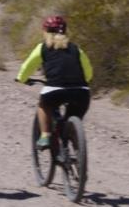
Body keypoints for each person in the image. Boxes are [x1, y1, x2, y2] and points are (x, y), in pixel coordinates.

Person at [15, 15, 93, 149]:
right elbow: (89, 73)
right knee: (72, 117)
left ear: (45, 31)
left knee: (43, 105)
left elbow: (27, 66)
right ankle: (75, 144)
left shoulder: (43, 47)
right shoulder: (76, 49)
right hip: (81, 92)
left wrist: (21, 78)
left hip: (55, 90)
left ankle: (45, 135)